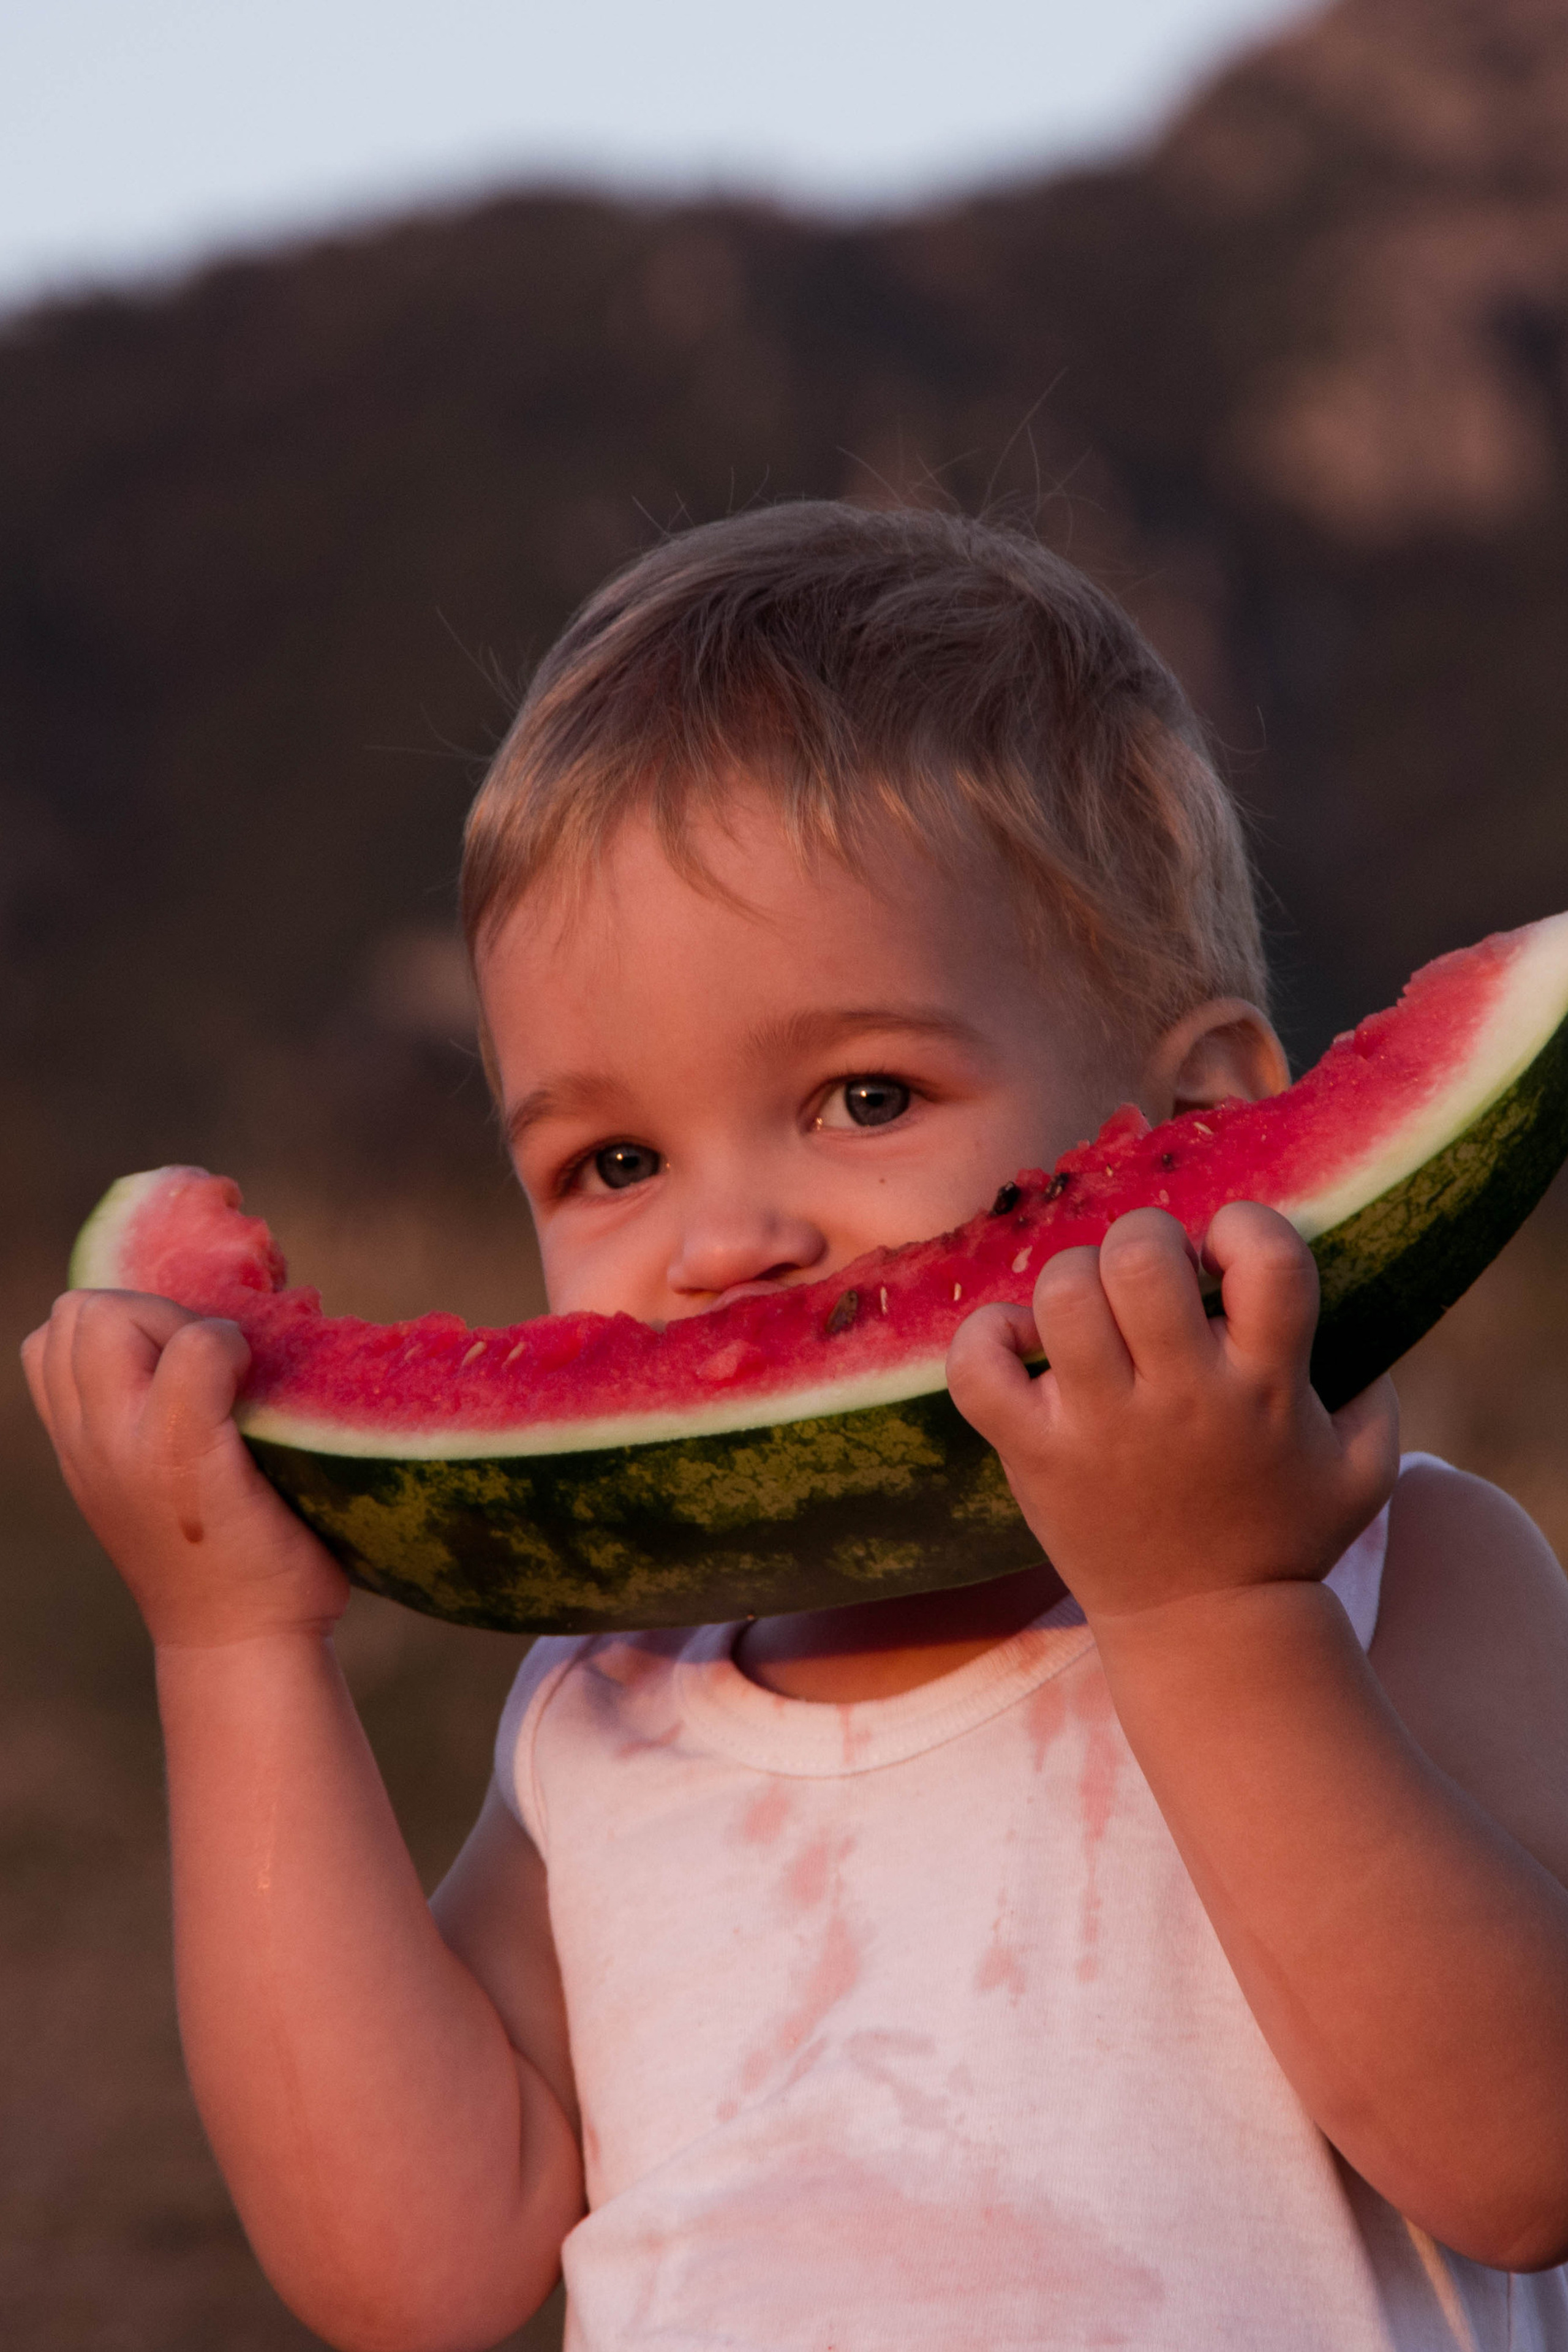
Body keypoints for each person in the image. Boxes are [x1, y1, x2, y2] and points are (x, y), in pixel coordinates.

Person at [23, 502, 1568, 2352]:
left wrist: (1215, 1608)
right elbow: (410, 2267)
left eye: (859, 1094)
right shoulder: (618, 1708)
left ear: (1202, 1124)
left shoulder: (1406, 1569)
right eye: (611, 1160)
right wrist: (234, 1648)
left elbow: (1521, 2156)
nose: (724, 1238)